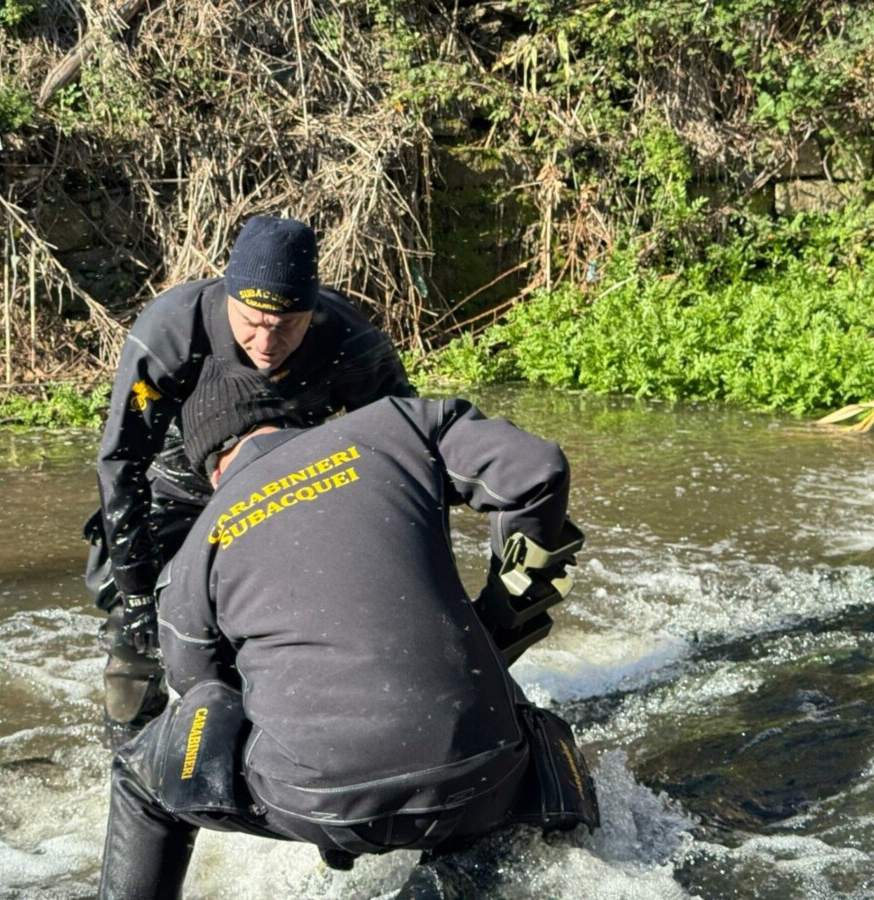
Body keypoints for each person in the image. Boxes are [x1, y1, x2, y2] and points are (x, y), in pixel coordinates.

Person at [97, 359, 598, 900]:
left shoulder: (198, 545)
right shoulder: (397, 424)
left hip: (313, 803)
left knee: (140, 774)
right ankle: (506, 851)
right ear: (295, 419)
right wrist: (499, 620)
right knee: (509, 710)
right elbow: (537, 470)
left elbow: (202, 693)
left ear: (209, 470)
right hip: (484, 775)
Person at [86, 215, 414, 749]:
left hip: (286, 486)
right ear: (229, 297)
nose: (266, 342)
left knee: (292, 623)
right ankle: (126, 751)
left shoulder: (348, 340)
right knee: (135, 639)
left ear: (312, 311)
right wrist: (137, 590)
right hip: (176, 488)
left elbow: (404, 448)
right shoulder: (173, 331)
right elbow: (121, 462)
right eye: (251, 322)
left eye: (286, 326)